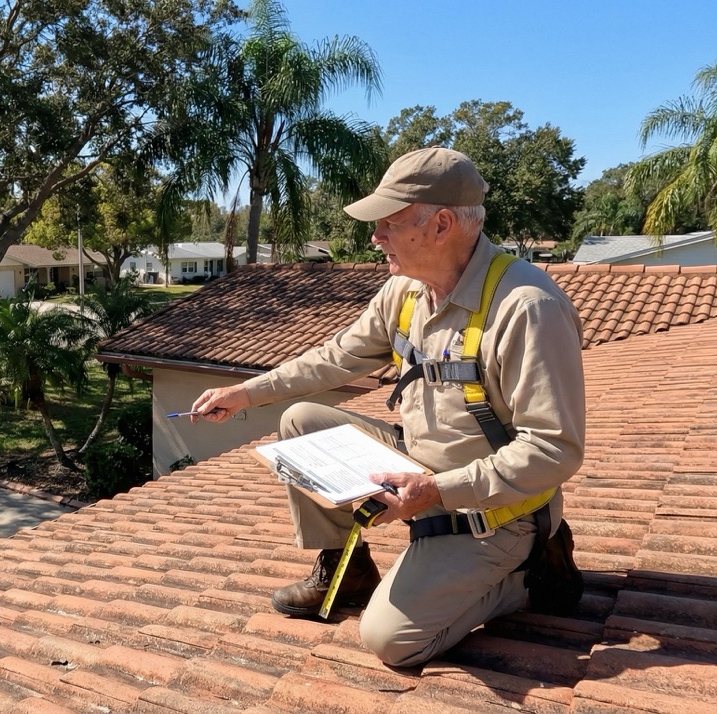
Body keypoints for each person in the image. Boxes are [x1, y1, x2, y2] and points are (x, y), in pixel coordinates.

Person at [188, 147, 585, 668]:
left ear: (442, 224)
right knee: (300, 423)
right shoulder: (404, 291)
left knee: (391, 641)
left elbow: (555, 451)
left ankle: (530, 577)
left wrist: (437, 490)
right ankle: (347, 572)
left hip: (493, 509)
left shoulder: (527, 308)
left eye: (388, 224)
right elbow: (335, 358)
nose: (374, 238)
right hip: (419, 470)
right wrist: (246, 393)